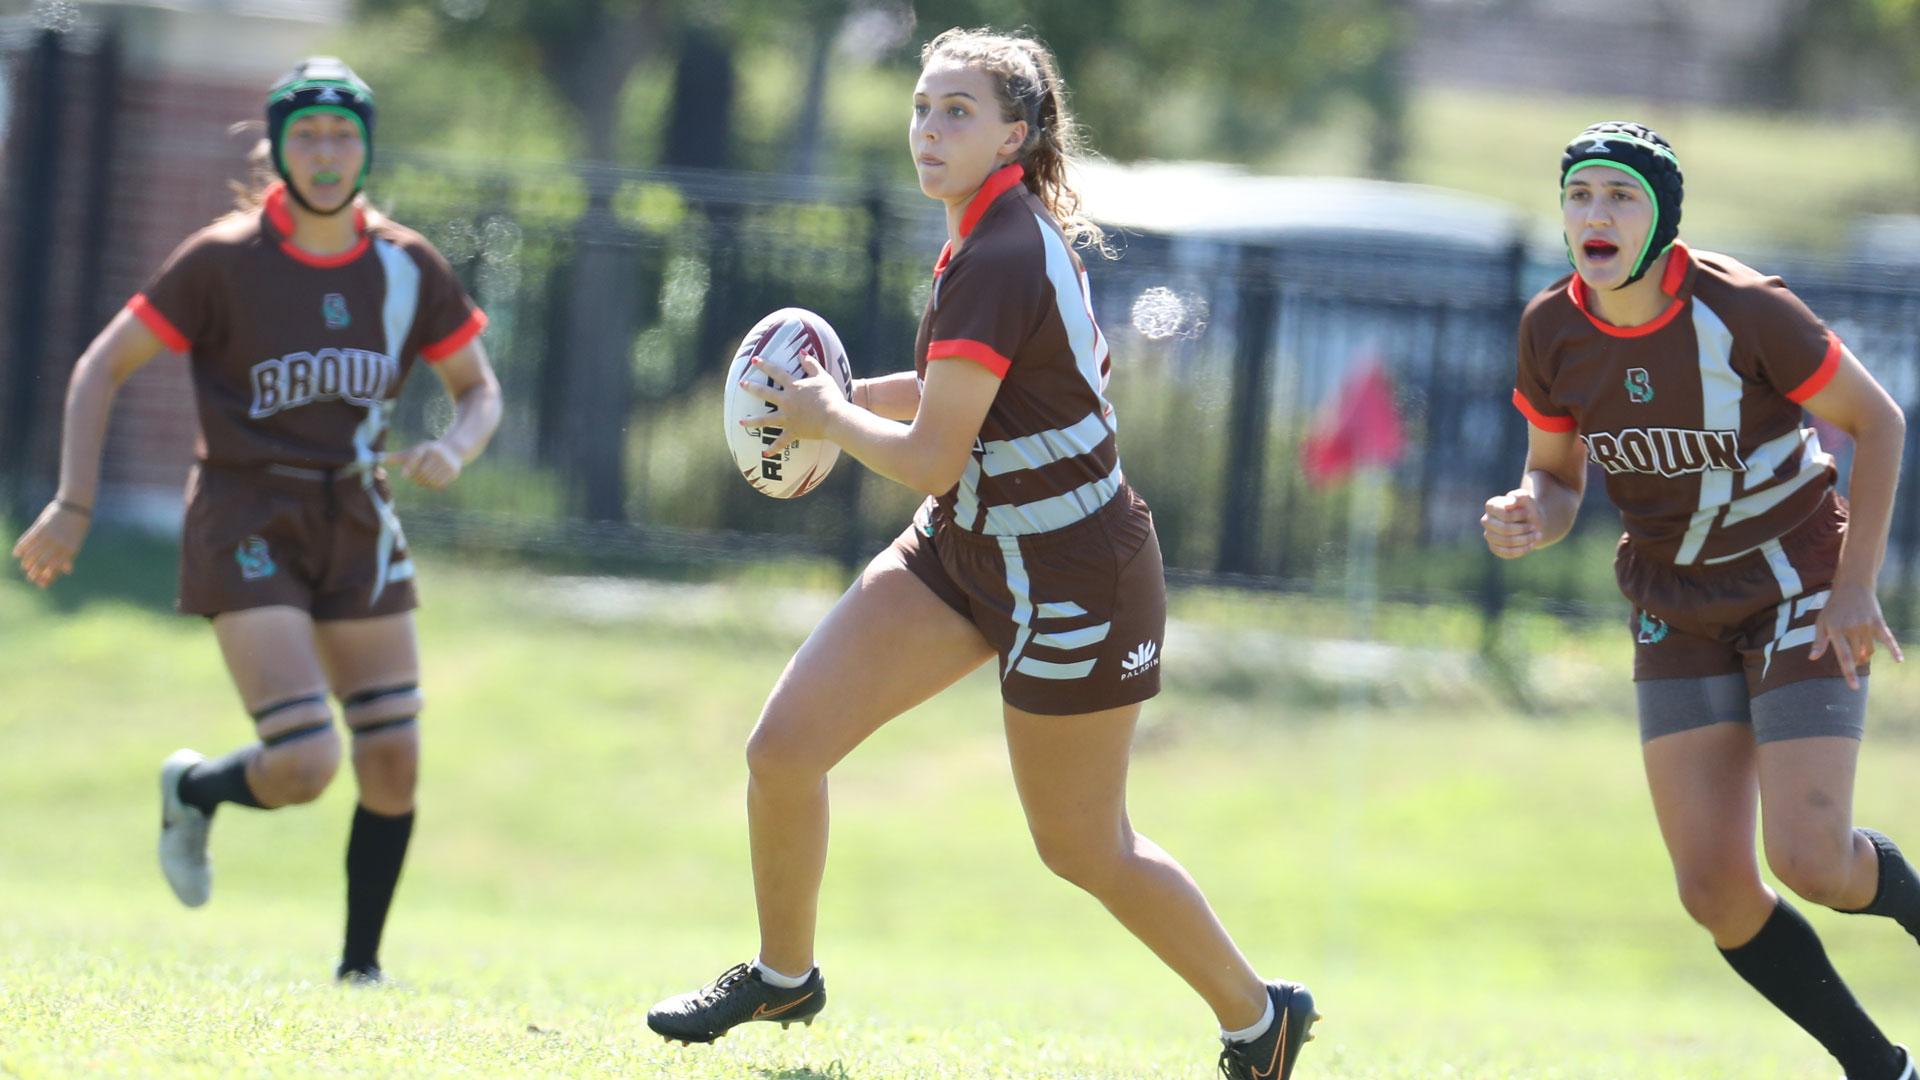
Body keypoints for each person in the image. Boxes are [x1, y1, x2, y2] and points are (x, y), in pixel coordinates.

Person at [644, 27, 1320, 1080]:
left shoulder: (1000, 247)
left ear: (1017, 132)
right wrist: (831, 406)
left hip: (1073, 575)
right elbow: (954, 405)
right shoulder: (983, 234)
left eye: (957, 110)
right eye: (921, 106)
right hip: (965, 548)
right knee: (783, 753)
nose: (928, 127)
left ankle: (1258, 1019)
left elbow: (927, 454)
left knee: (1083, 847)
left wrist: (826, 413)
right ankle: (785, 975)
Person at [10, 57, 502, 984]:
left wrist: (458, 446)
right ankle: (197, 789)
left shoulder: (406, 264)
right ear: (277, 148)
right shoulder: (221, 259)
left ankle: (361, 970)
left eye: (344, 134)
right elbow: (100, 367)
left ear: (367, 148)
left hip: (358, 512)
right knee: (310, 760)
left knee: (393, 756)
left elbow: (478, 390)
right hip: (248, 511)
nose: (326, 152)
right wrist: (74, 504)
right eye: (307, 134)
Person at [1484, 121, 1919, 1080]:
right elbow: (1555, 481)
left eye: (1621, 197)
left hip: (1797, 578)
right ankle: (1881, 1071)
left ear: (1663, 218)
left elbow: (1878, 422)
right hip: (1672, 600)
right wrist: (1529, 513)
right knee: (1715, 889)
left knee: (1812, 859)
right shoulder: (1549, 327)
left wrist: (1856, 589)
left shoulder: (1743, 307)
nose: (1595, 215)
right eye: (1580, 195)